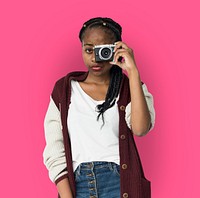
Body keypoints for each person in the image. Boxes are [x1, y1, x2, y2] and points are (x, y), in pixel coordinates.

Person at [43, 17, 155, 198]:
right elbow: (54, 149)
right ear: (81, 48)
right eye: (89, 50)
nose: (96, 58)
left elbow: (140, 128)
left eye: (104, 50)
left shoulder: (129, 88)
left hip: (119, 183)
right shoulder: (64, 90)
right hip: (79, 185)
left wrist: (133, 71)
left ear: (116, 49)